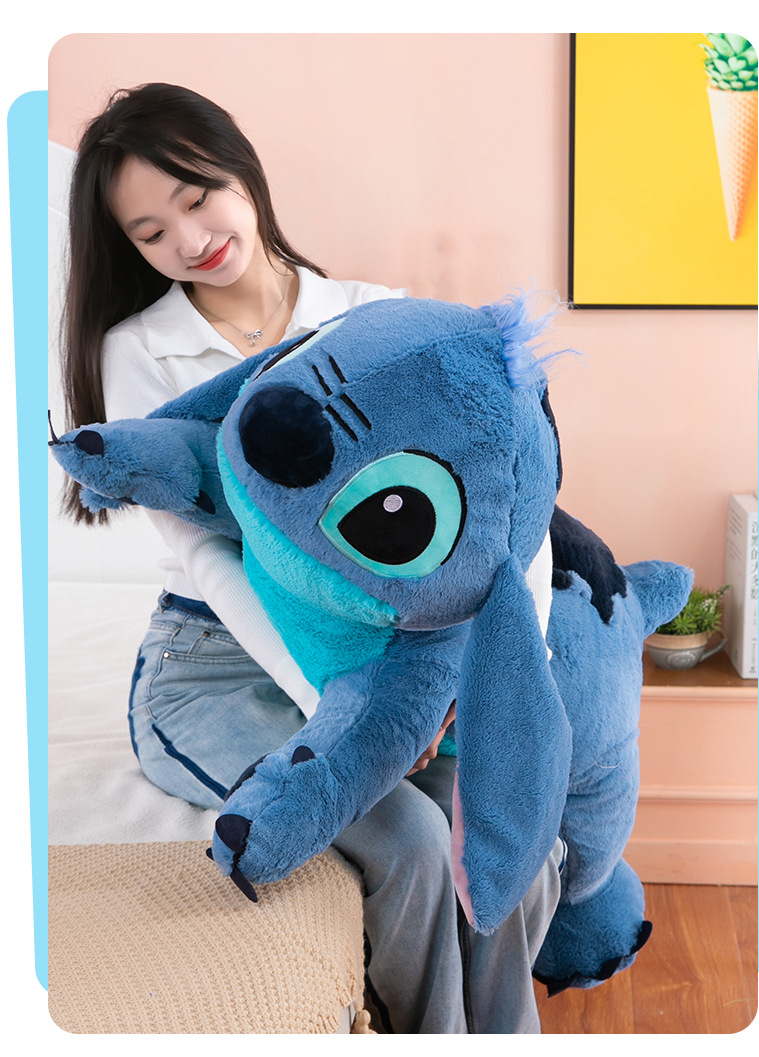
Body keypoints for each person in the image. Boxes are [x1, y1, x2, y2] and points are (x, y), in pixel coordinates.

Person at [60, 82, 563, 1034]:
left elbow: (505, 498)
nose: (190, 239)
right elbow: (206, 555)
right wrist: (336, 705)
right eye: (150, 232)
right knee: (411, 836)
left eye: (198, 195)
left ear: (242, 171)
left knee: (505, 822)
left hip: (390, 650)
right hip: (214, 664)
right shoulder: (138, 353)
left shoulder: (373, 314)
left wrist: (497, 672)